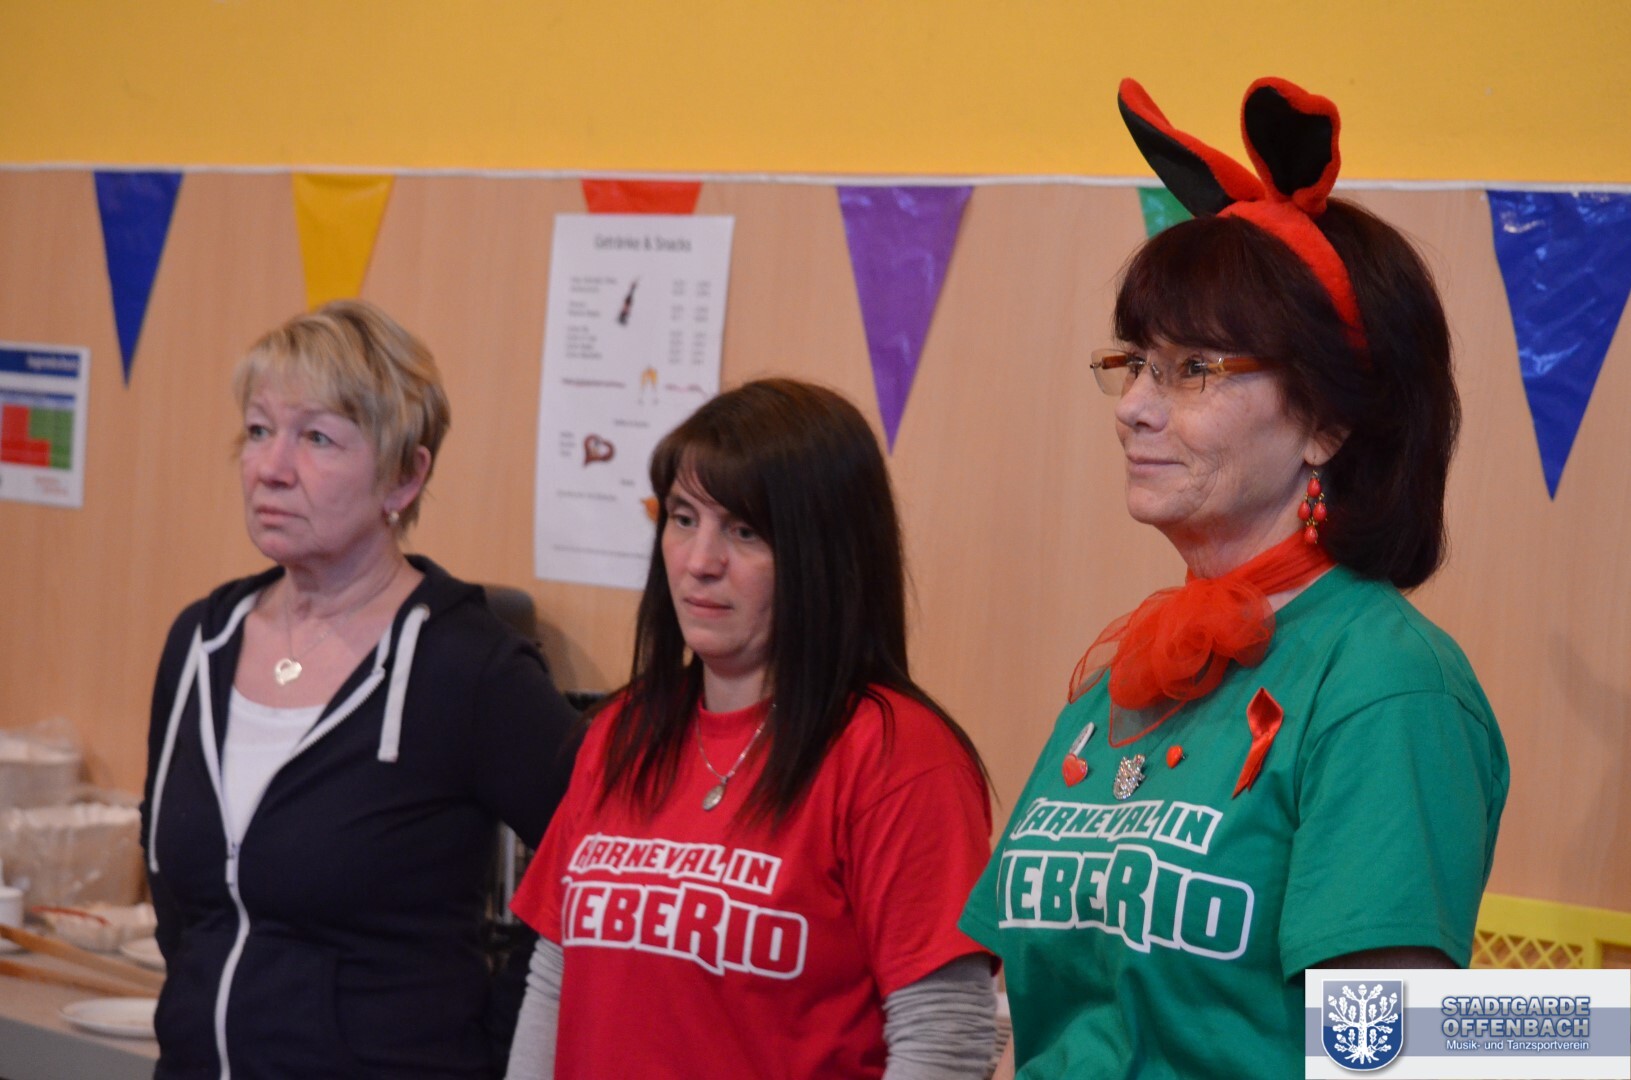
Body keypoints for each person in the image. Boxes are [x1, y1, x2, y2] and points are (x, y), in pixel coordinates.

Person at [959, 77, 1509, 1078]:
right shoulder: (1132, 670)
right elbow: (1023, 1011)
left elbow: (1391, 1055)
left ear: (1326, 422)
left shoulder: (1385, 686)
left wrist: (1587, 1040)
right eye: (1134, 362)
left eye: (1192, 369)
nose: (1132, 406)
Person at [506, 379, 998, 1079]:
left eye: (744, 531)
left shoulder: (897, 756)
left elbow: (944, 1037)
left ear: (825, 553)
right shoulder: (622, 731)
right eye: (682, 519)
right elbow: (555, 980)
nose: (699, 561)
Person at [141, 300, 581, 1078]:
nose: (272, 467)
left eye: (316, 438)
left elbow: (597, 869)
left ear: (405, 476)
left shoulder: (467, 667)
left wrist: (498, 1047)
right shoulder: (201, 643)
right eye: (258, 430)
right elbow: (183, 908)